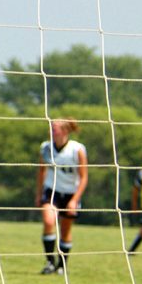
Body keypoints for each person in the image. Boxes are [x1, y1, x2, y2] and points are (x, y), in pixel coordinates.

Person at [36, 118, 88, 276]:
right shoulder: (45, 147)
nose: (50, 131)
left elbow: (84, 177)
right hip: (51, 191)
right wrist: (38, 193)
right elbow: (42, 171)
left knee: (65, 230)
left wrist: (74, 199)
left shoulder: (77, 149)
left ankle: (62, 265)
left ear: (65, 131)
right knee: (49, 221)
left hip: (71, 193)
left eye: (54, 129)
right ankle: (50, 262)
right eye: (50, 128)